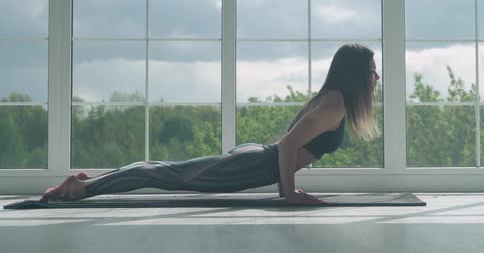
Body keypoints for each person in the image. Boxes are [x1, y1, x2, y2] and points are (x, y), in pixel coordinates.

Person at [41, 43, 380, 205]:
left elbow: (291, 145)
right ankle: (81, 188)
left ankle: (87, 182)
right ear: (355, 74)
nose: (375, 76)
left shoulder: (333, 98)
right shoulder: (335, 103)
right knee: (164, 174)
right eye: (370, 70)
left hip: (257, 161)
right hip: (253, 165)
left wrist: (285, 189)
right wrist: (289, 193)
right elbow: (290, 145)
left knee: (166, 171)